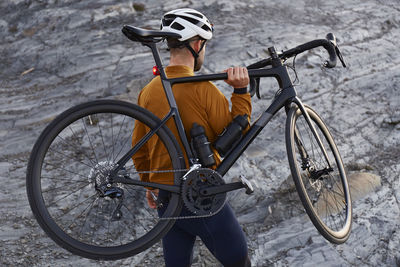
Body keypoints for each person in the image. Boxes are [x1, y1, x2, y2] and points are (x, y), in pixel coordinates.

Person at [132, 8, 252, 267]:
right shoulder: (203, 88)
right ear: (197, 44)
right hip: (200, 198)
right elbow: (233, 132)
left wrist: (149, 184)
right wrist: (241, 91)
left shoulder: (147, 92)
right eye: (205, 45)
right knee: (238, 261)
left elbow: (139, 148)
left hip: (166, 199)